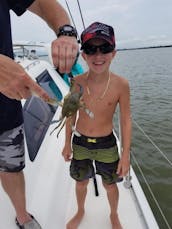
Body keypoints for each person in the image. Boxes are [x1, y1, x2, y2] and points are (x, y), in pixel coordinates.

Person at [0, 0, 79, 228]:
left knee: (11, 167)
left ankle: (22, 217)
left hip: (6, 109)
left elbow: (44, 5)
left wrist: (65, 31)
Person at [62, 22, 132, 229]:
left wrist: (125, 154)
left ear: (114, 53)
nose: (98, 55)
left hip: (107, 145)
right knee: (81, 182)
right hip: (80, 142)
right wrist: (67, 143)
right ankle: (80, 210)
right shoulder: (77, 82)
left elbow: (126, 119)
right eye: (91, 49)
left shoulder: (121, 84)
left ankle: (113, 214)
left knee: (110, 185)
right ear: (83, 55)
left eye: (105, 48)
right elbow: (69, 115)